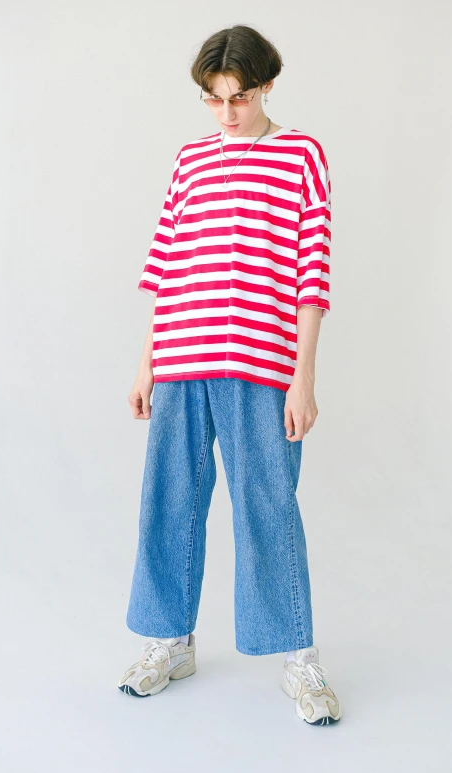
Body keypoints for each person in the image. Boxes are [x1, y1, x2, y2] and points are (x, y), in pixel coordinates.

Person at [118, 24, 343, 726]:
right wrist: (147, 361)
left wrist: (303, 376)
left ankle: (298, 660)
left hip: (262, 362)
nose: (226, 113)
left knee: (268, 507)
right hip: (182, 358)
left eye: (238, 98)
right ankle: (169, 640)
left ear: (267, 85)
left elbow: (312, 271)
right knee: (170, 501)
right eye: (213, 100)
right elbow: (165, 265)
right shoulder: (190, 161)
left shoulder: (301, 154)